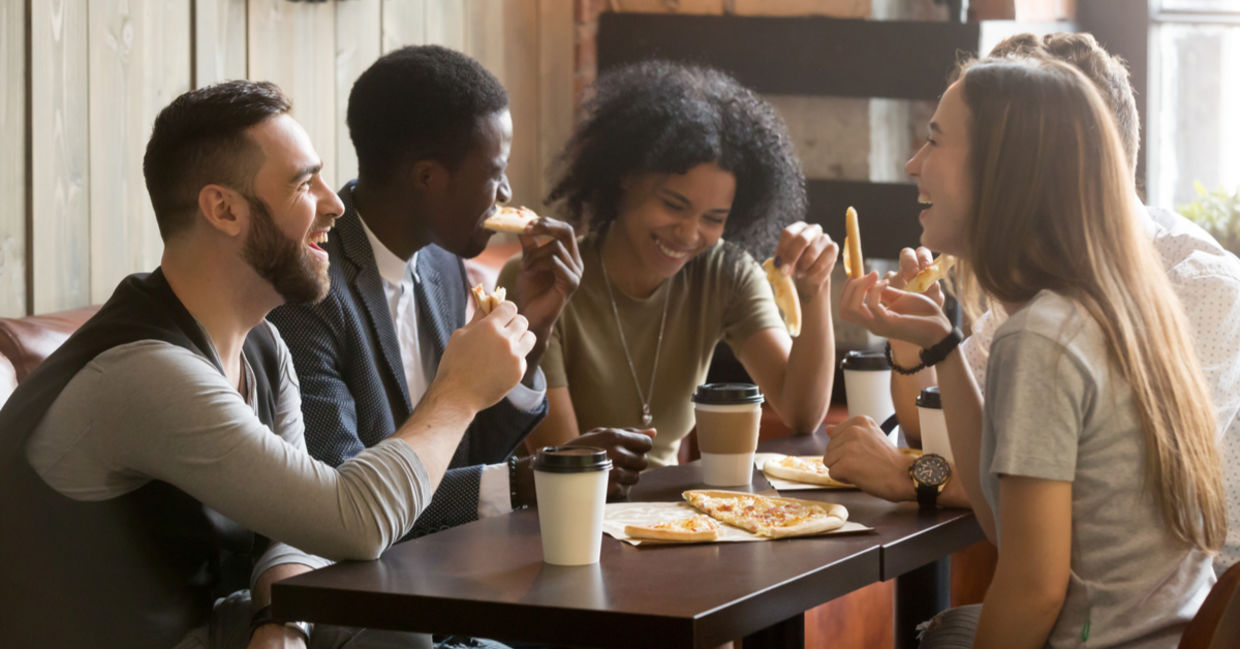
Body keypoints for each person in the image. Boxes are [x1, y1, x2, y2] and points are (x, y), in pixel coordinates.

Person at [0, 80, 534, 649]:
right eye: (305, 183)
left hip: (224, 627)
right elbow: (353, 521)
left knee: (409, 637)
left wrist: (280, 624)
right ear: (224, 209)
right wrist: (458, 392)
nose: (334, 203)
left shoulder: (263, 345)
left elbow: (291, 530)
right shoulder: (144, 373)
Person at [839, 55, 1224, 648]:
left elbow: (1032, 588)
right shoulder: (1122, 309)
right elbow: (1002, 525)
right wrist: (943, 346)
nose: (913, 163)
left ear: (1003, 173)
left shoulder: (1043, 339)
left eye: (935, 142)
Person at [268, 46, 653, 532]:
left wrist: (533, 326)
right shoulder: (308, 290)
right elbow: (347, 498)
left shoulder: (442, 261)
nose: (508, 193)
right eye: (495, 173)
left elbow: (463, 454)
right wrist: (526, 481)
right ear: (427, 178)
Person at [499, 61, 839, 467]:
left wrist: (815, 290)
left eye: (714, 219)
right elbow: (566, 466)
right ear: (625, 176)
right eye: (674, 205)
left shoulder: (725, 274)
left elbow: (800, 413)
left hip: (668, 515)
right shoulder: (541, 281)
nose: (689, 234)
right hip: (556, 514)